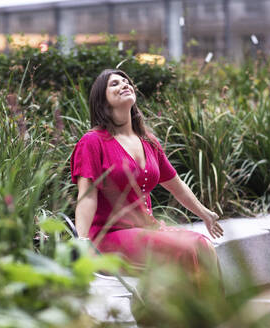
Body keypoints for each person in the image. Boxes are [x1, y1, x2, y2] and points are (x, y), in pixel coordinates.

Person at [70, 68, 223, 278]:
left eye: (126, 81)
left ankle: (209, 310)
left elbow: (175, 184)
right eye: (114, 84)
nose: (124, 85)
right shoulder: (92, 142)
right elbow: (86, 197)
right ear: (102, 100)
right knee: (187, 249)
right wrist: (82, 242)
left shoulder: (148, 141)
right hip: (110, 237)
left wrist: (205, 213)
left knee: (204, 246)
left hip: (147, 231)